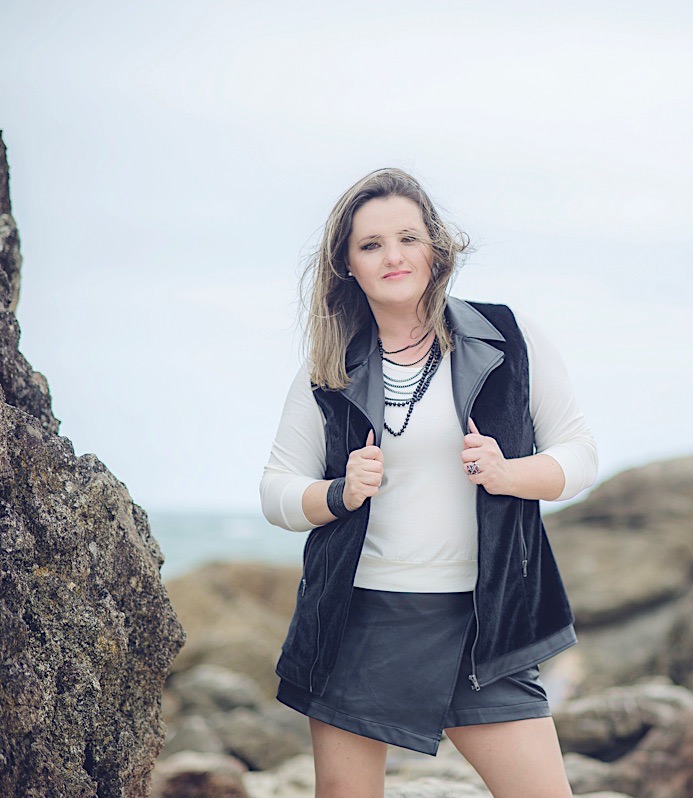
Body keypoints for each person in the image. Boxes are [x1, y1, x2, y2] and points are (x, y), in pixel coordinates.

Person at [259, 167, 597, 798]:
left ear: (436, 248)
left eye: (407, 238)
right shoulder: (328, 364)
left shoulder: (507, 337)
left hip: (484, 622)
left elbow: (579, 454)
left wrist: (508, 473)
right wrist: (339, 493)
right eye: (370, 245)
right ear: (347, 267)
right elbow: (277, 489)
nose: (393, 257)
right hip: (359, 618)